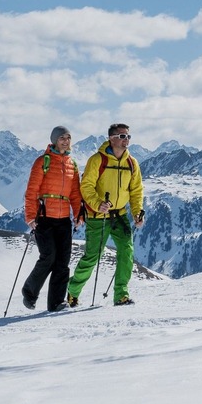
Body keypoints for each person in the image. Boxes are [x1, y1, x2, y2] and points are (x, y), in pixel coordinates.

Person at [66, 122, 145, 307]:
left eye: (128, 137)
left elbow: (136, 191)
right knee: (92, 256)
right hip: (97, 216)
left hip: (120, 215)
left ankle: (121, 295)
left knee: (127, 252)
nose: (126, 140)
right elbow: (86, 186)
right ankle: (73, 291)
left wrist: (137, 212)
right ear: (111, 138)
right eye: (122, 136)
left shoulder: (132, 163)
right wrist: (97, 204)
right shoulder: (97, 160)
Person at [21, 126, 83, 312]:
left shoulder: (72, 164)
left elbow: (75, 194)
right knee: (48, 257)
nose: (65, 141)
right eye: (62, 137)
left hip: (63, 219)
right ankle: (29, 292)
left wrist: (78, 214)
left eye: (68, 137)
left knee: (62, 262)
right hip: (44, 217)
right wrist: (31, 217)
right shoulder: (43, 161)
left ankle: (56, 303)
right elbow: (31, 191)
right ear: (55, 140)